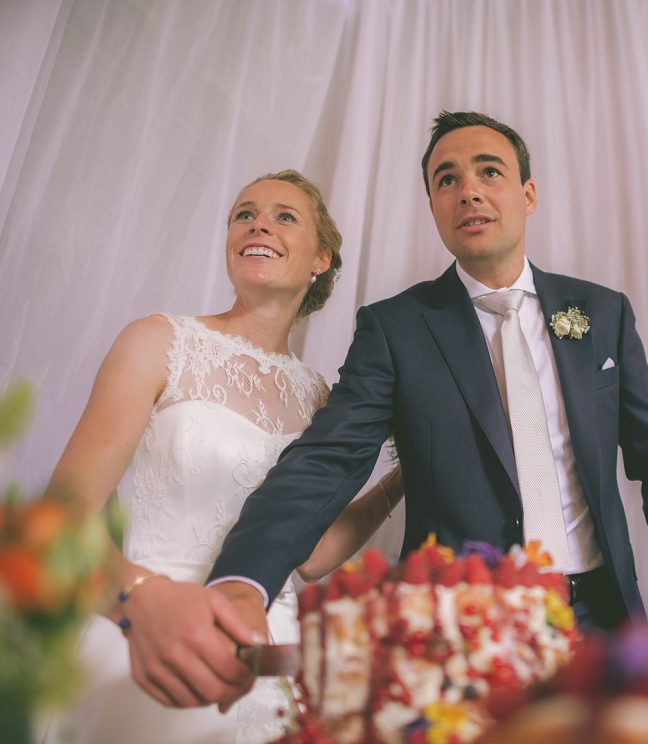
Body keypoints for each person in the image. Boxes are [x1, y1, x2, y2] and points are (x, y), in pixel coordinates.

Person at [136, 111, 648, 711]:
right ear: (435, 207)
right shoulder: (395, 329)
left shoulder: (603, 313)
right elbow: (328, 460)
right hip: (455, 631)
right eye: (446, 179)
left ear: (527, 194)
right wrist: (242, 579)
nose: (468, 190)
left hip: (604, 620)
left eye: (489, 172)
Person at [40, 170, 403, 744]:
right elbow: (59, 522)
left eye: (285, 216)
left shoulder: (321, 398)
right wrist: (140, 602)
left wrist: (405, 477)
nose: (259, 223)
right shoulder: (158, 341)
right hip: (153, 634)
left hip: (274, 651)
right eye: (244, 214)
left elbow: (308, 556)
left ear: (321, 258)